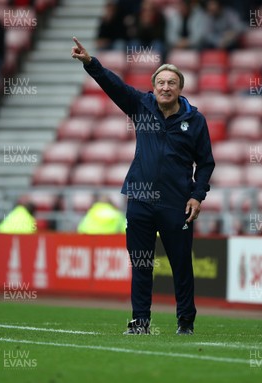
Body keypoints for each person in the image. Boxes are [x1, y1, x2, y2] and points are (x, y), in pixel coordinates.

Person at [71, 37, 215, 335]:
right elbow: (114, 86)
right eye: (160, 82)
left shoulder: (195, 120)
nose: (165, 87)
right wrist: (90, 63)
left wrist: (197, 197)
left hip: (177, 203)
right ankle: (140, 322)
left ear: (180, 88)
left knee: (181, 266)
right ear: (154, 86)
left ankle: (185, 322)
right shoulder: (141, 105)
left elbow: (206, 164)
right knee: (141, 264)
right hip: (140, 200)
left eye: (171, 83)